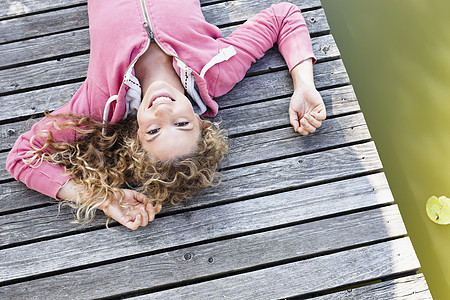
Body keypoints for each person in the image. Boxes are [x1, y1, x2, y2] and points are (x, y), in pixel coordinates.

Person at [6, 0, 326, 230]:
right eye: (181, 124)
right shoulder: (216, 71)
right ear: (202, 121)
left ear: (136, 135)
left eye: (154, 131)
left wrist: (101, 198)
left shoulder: (101, 102)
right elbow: (284, 16)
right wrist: (304, 85)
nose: (162, 111)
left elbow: (22, 157)